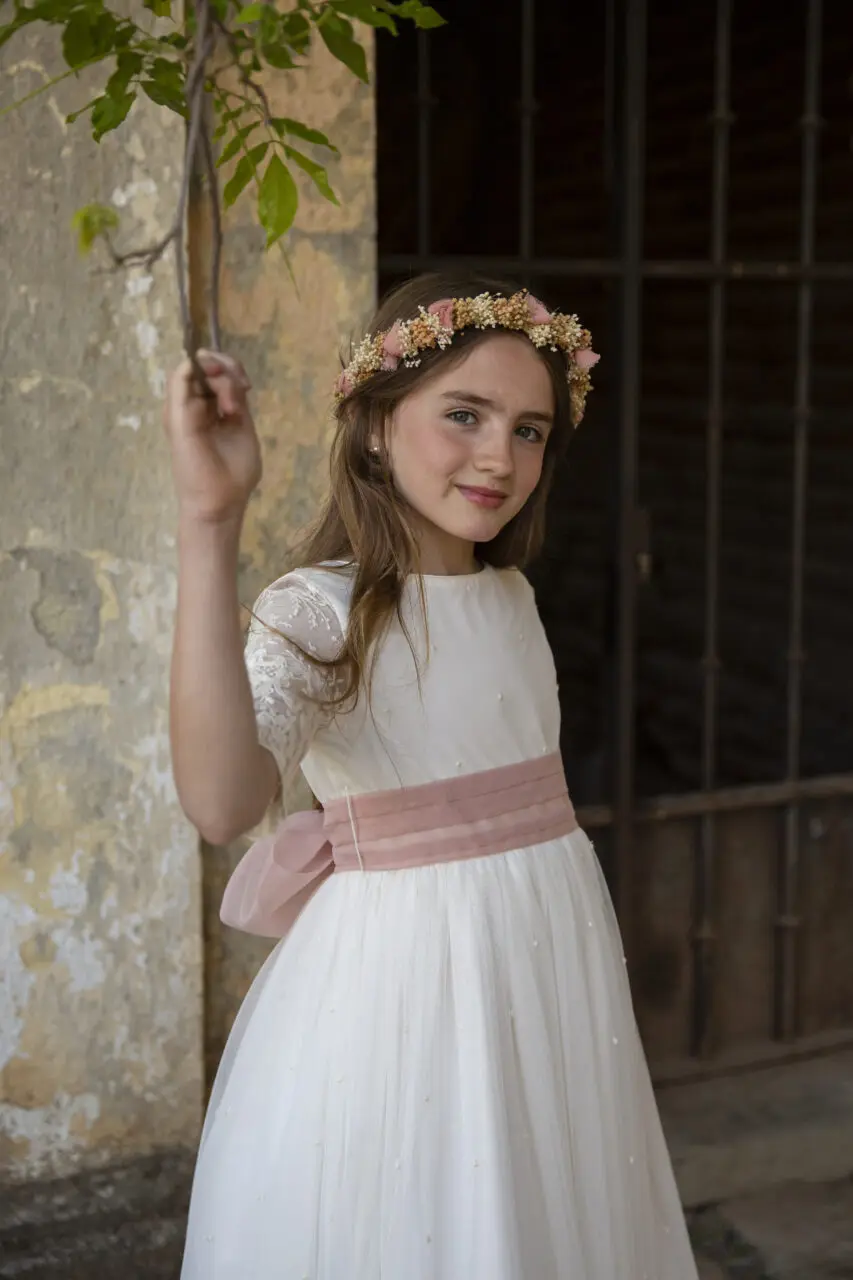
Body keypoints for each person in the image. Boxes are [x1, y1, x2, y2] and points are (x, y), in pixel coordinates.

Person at [168, 272, 698, 1279]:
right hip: (412, 990)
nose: (499, 455)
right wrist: (209, 524)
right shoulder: (322, 611)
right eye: (464, 414)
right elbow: (223, 799)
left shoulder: (510, 598)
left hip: (545, 966)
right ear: (374, 425)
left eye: (530, 429)